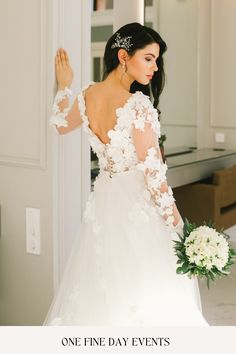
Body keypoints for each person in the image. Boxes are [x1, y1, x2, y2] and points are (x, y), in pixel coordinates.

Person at [44, 22, 208, 326]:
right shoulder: (138, 105)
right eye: (148, 58)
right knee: (149, 289)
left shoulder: (85, 97)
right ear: (123, 56)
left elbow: (58, 124)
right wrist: (179, 226)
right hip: (137, 205)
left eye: (156, 60)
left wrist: (65, 85)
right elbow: (154, 175)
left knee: (105, 281)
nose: (155, 68)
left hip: (105, 201)